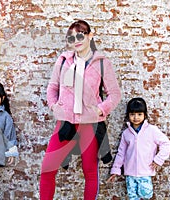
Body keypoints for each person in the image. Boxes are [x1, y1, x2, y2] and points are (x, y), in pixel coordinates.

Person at [40, 20, 121, 200]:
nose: (76, 40)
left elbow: (114, 94)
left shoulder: (101, 63)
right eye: (71, 38)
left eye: (80, 35)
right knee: (47, 168)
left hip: (90, 125)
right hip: (65, 123)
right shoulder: (63, 61)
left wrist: (101, 110)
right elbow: (52, 88)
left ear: (89, 36)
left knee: (90, 171)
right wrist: (55, 107)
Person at [107, 97, 170, 200]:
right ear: (128, 115)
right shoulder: (126, 133)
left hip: (145, 172)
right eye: (132, 114)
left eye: (139, 114)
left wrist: (158, 160)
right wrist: (116, 169)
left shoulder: (152, 130)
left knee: (146, 195)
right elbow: (121, 153)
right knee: (132, 197)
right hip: (130, 173)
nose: (136, 117)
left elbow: (166, 144)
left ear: (145, 115)